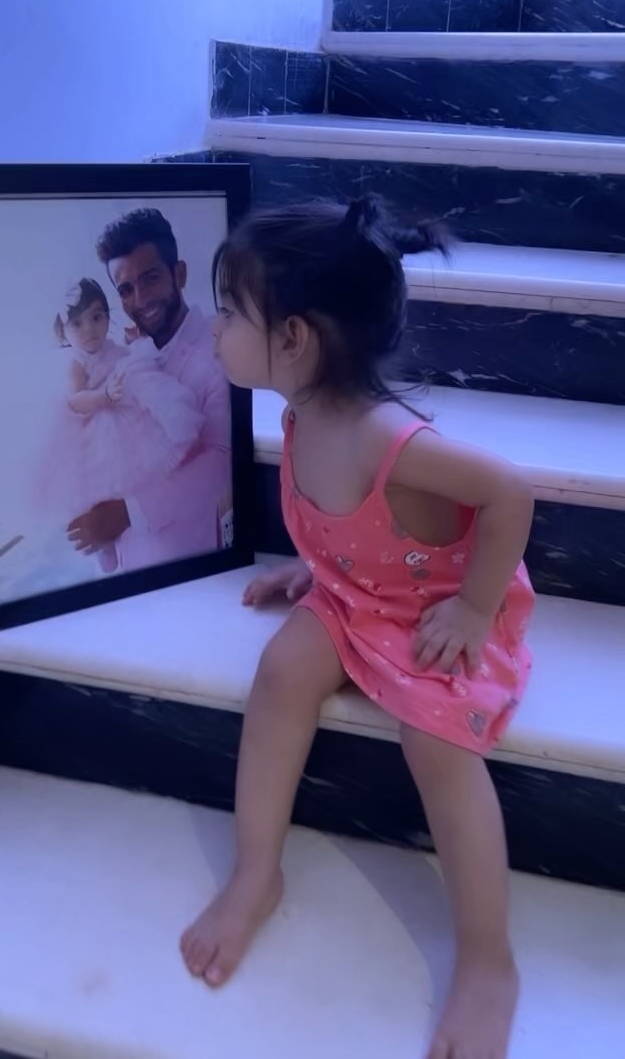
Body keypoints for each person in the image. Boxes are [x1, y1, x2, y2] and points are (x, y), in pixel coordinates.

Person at [181, 196, 535, 1059]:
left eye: (229, 313)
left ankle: (488, 959)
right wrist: (317, 567)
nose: (214, 328)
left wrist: (474, 608)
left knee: (435, 744)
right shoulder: (300, 413)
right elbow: (352, 521)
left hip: (434, 608)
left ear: (295, 338)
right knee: (281, 672)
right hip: (355, 594)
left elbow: (509, 494)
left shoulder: (389, 439)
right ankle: (256, 872)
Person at [66, 209, 231, 569]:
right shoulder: (125, 356)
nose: (140, 299)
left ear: (179, 274)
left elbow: (222, 461)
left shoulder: (219, 349)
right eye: (126, 290)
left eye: (150, 278)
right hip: (126, 560)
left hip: (183, 564)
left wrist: (128, 512)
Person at [35, 277, 203, 575]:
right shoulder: (76, 363)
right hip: (93, 432)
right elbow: (74, 400)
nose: (89, 330)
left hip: (125, 424)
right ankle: (104, 548)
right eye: (77, 324)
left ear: (107, 317)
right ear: (63, 330)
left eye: (96, 317)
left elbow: (133, 364)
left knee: (131, 481)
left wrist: (137, 344)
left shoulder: (113, 349)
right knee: (95, 491)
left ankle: (132, 532)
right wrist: (103, 396)